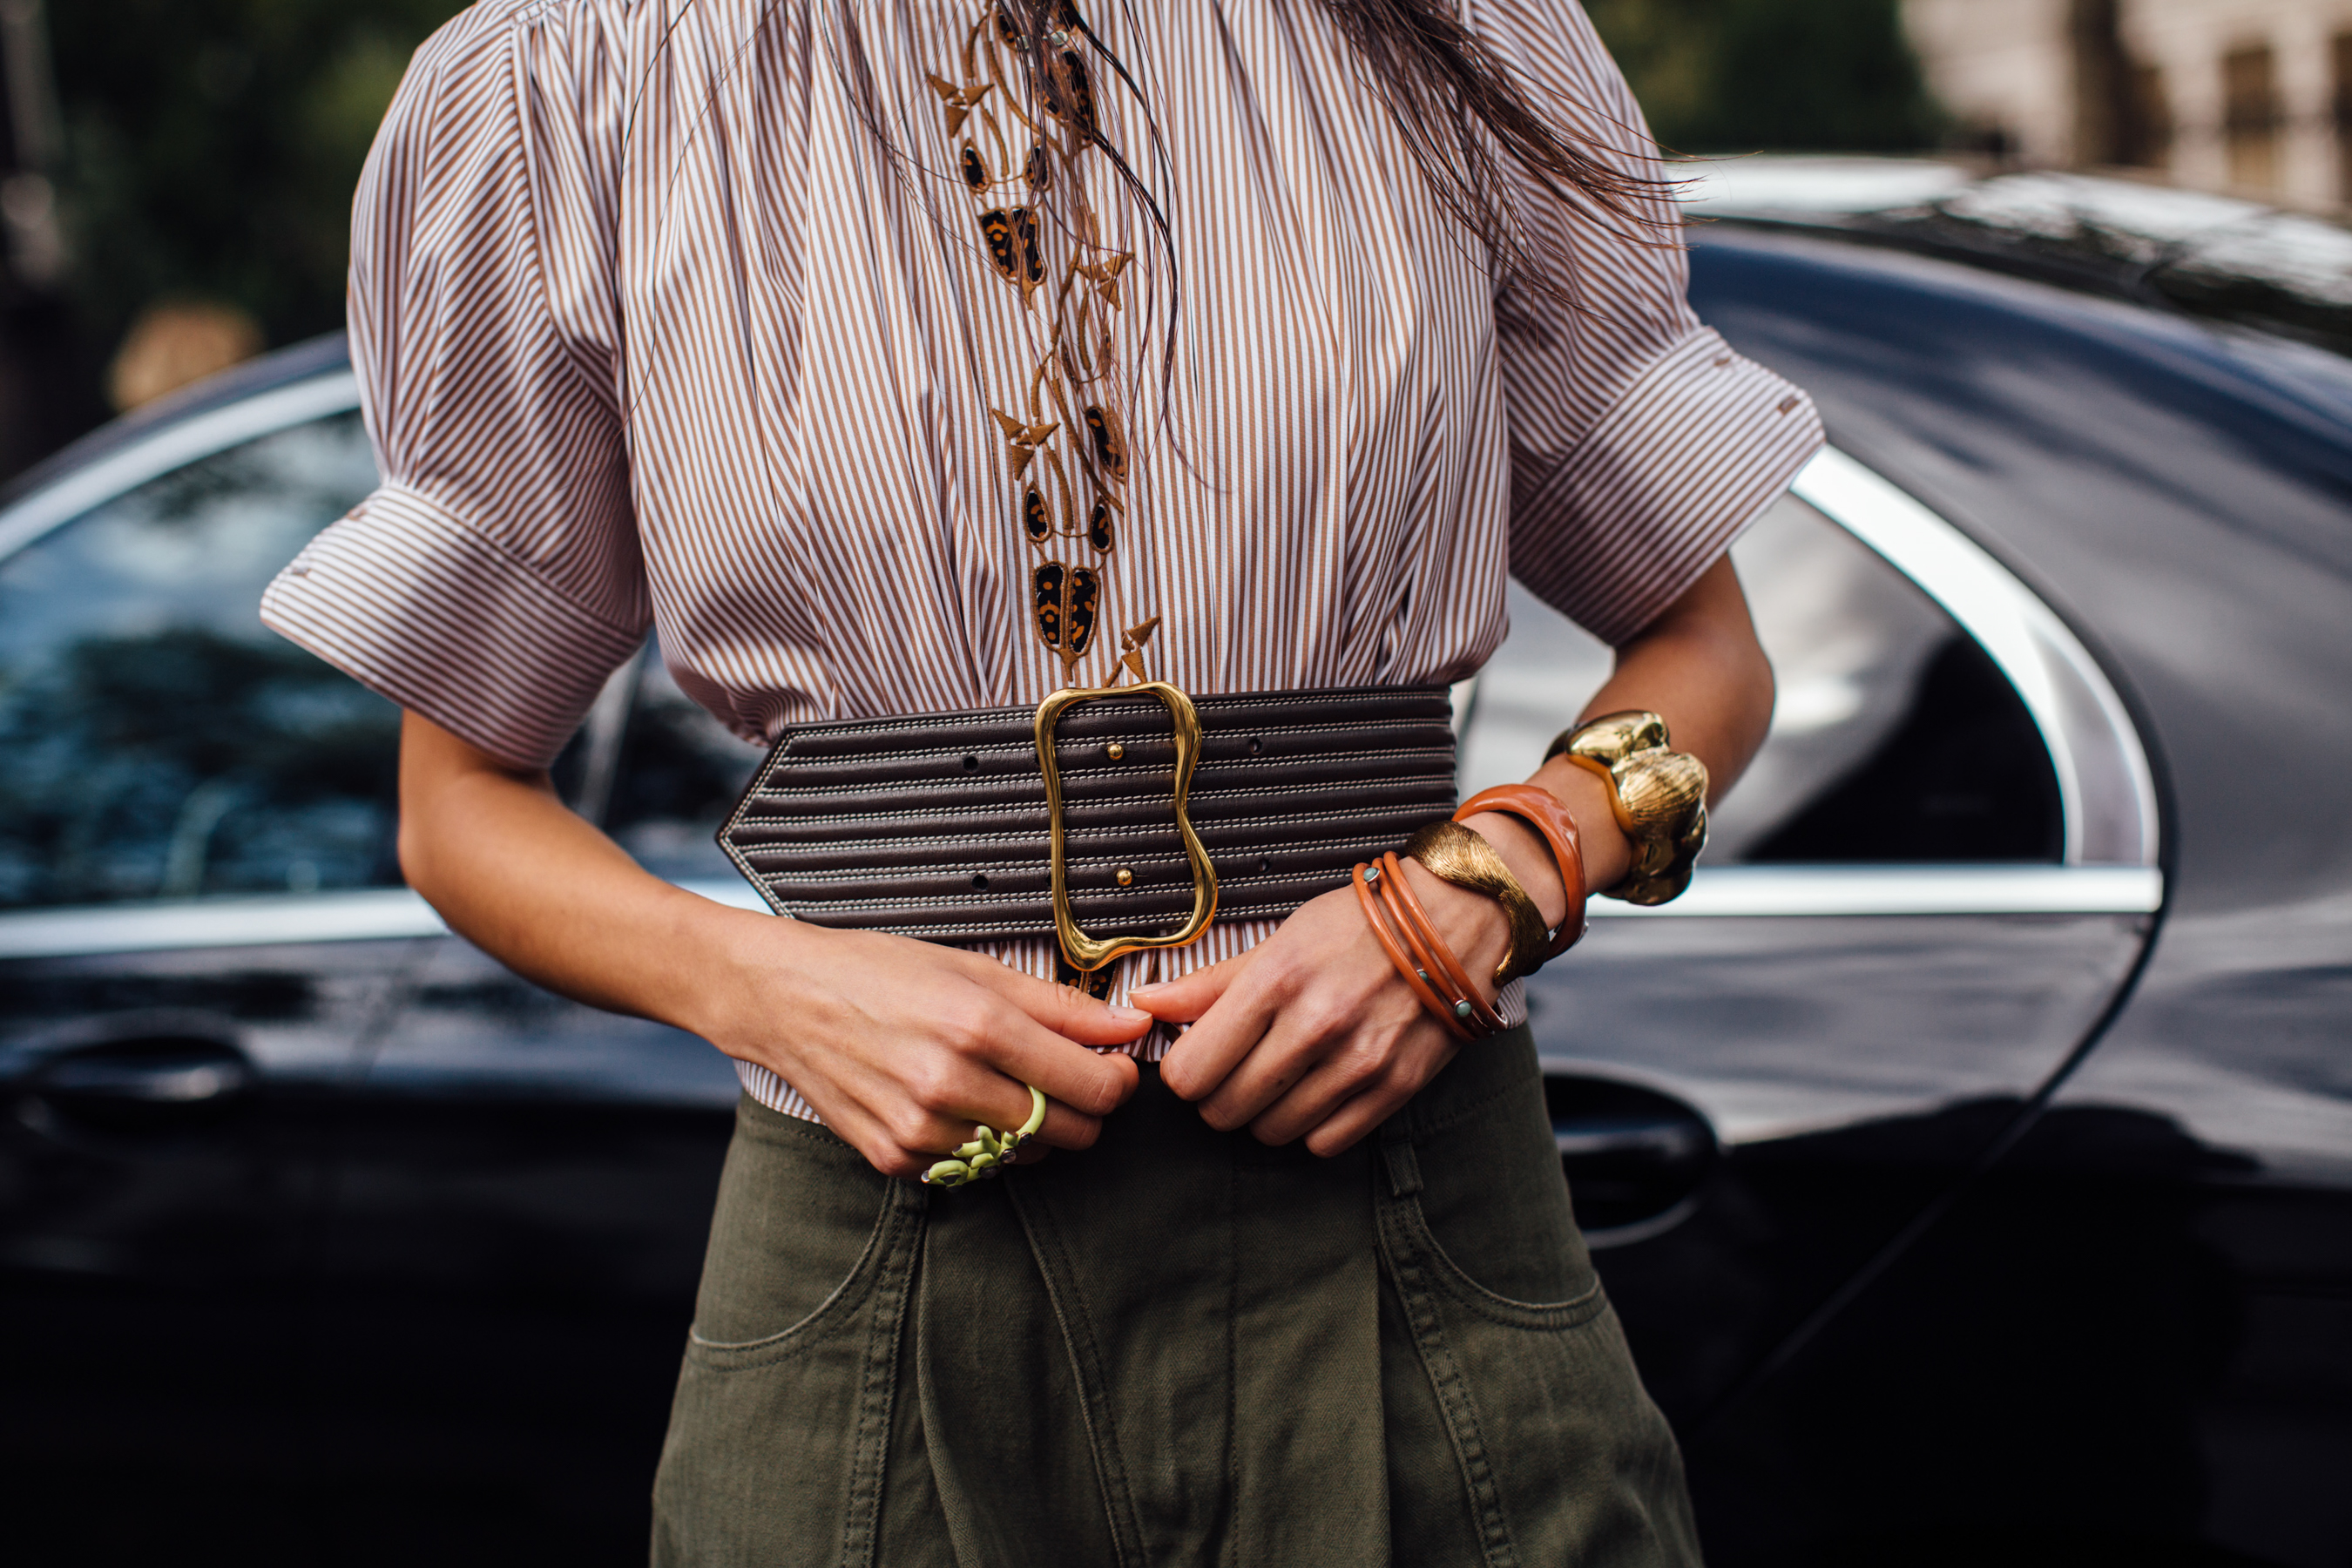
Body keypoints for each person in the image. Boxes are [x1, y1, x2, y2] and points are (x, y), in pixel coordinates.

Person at [263, 1, 1820, 1562]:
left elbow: (1708, 652)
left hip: (1418, 1230)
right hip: (878, 1263)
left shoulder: (1445, 32)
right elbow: (459, 804)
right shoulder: (567, 79)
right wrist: (775, 991)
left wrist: (1490, 883)